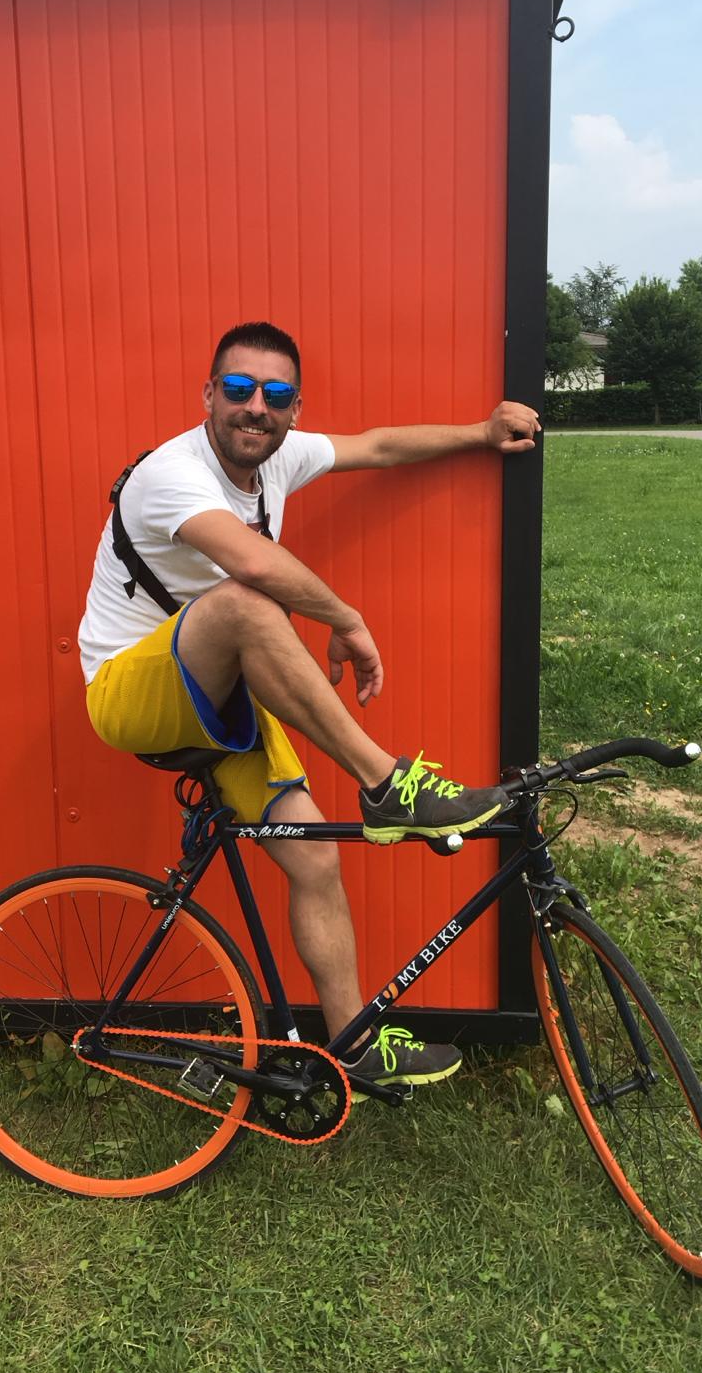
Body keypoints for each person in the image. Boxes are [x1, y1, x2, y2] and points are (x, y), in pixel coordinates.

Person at [79, 321, 540, 1094]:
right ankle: (387, 784)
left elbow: (379, 447)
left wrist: (482, 432)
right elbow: (251, 562)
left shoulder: (281, 456)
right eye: (238, 388)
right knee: (246, 600)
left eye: (276, 394)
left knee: (316, 860)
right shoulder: (172, 473)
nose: (255, 407)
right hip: (129, 693)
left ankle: (352, 1043)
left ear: (294, 408)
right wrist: (346, 618)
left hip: (217, 697)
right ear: (209, 395)